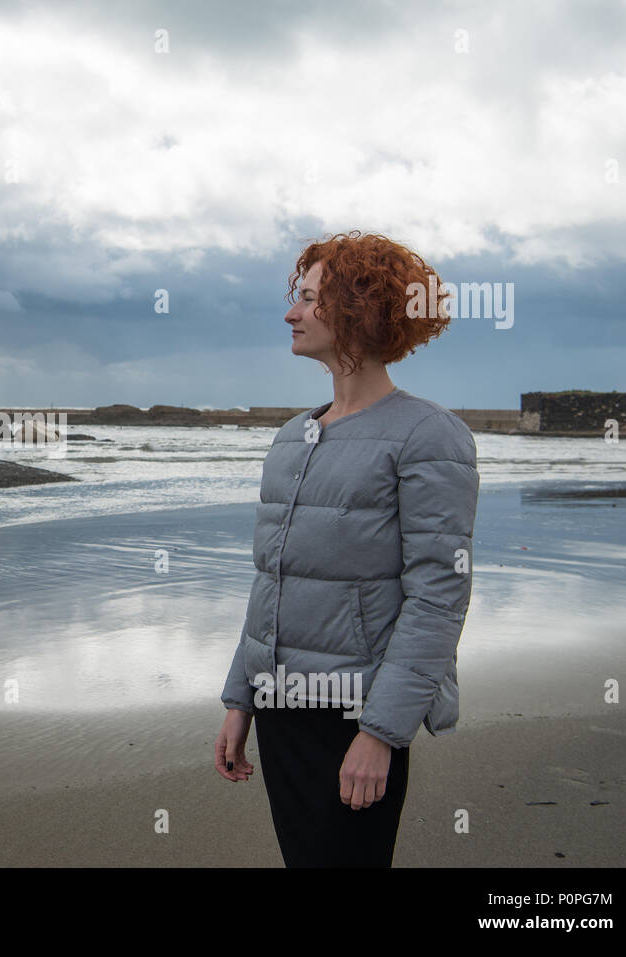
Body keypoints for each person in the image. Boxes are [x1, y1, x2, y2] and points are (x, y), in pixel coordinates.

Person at [214, 230, 480, 867]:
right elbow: (271, 582)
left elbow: (439, 597)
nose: (290, 312)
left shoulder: (428, 435)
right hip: (281, 709)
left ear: (358, 309)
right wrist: (240, 698)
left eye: (307, 299)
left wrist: (381, 732)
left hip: (354, 718)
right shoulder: (290, 438)